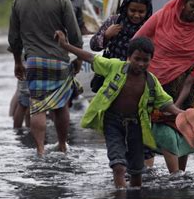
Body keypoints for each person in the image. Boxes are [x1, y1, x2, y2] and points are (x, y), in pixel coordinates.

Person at [55, 32, 184, 188]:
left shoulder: (151, 81)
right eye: (137, 59)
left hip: (136, 125)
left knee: (137, 171)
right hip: (113, 122)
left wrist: (181, 113)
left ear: (151, 60)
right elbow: (91, 57)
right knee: (118, 165)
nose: (141, 64)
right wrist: (65, 46)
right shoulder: (115, 67)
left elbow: (164, 102)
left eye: (145, 60)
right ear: (129, 57)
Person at [135, 0, 194, 174]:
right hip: (158, 84)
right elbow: (137, 41)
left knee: (184, 128)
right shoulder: (163, 17)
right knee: (163, 128)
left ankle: (181, 172)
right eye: (192, 6)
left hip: (188, 88)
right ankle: (174, 174)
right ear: (184, 2)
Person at [8, 0, 83, 156]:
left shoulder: (19, 0)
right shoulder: (62, 0)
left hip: (33, 62)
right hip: (59, 61)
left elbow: (14, 38)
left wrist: (17, 62)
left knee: (38, 106)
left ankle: (40, 149)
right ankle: (61, 145)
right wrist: (77, 59)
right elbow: (75, 35)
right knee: (61, 107)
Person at [89, 0, 154, 165]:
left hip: (139, 84)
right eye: (132, 10)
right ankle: (120, 162)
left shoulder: (151, 26)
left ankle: (146, 170)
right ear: (125, 7)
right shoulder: (114, 21)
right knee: (115, 125)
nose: (136, 15)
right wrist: (107, 35)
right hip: (113, 83)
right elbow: (94, 45)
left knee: (142, 125)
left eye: (141, 11)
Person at [10, 0, 38, 129]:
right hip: (27, 54)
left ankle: (24, 132)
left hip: (26, 54)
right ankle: (19, 133)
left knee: (26, 99)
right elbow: (15, 34)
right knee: (24, 100)